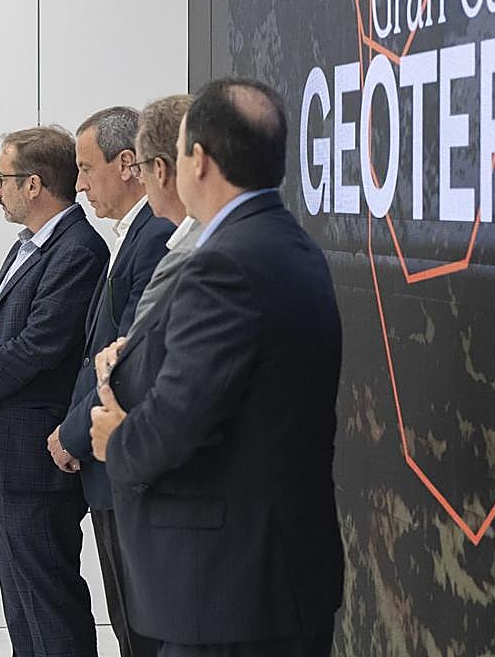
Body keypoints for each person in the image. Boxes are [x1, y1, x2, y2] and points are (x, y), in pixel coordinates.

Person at [89, 78, 345, 657]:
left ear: (198, 161)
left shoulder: (224, 265)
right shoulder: (290, 245)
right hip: (276, 578)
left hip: (228, 593)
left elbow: (180, 417)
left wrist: (117, 439)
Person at [0, 126, 107, 657]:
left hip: (38, 453)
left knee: (46, 601)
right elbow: (0, 332)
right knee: (23, 605)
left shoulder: (77, 249)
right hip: (10, 444)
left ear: (33, 184)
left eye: (2, 178)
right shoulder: (35, 245)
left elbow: (39, 345)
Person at [53, 107, 173, 657]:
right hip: (108, 462)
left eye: (85, 168)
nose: (78, 185)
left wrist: (72, 434)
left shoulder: (154, 237)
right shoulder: (133, 236)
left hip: (122, 458)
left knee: (142, 627)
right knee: (127, 620)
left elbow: (126, 358)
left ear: (128, 164)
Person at [128, 94, 200, 328]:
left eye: (138, 168)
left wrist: (121, 357)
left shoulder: (190, 255)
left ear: (159, 169)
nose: (139, 180)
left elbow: (146, 355)